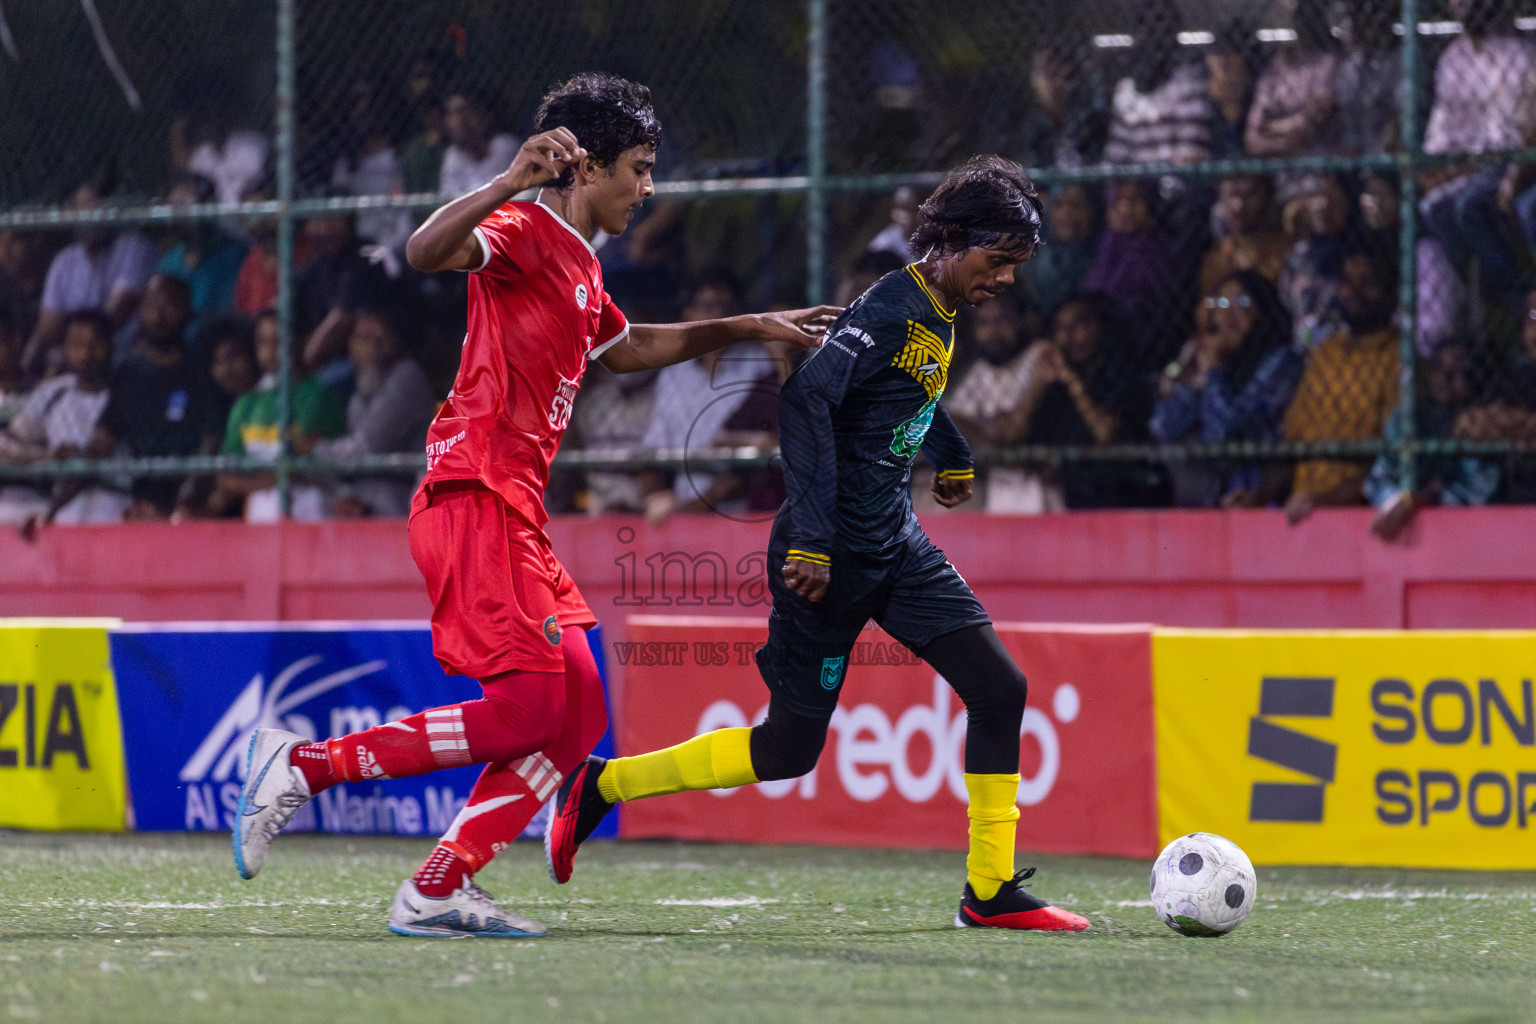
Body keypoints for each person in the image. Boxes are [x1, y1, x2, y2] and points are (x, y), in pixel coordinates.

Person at [231, 73, 838, 939]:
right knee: (524, 710)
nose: (650, 185)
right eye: (640, 166)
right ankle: (302, 766)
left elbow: (627, 350)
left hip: (515, 510)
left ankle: (438, 888)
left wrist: (751, 324)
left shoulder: (585, 263)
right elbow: (422, 253)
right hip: (472, 492)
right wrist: (510, 180)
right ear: (586, 167)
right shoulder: (520, 228)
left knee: (581, 711)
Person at [545, 155, 1091, 934]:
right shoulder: (893, 308)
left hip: (895, 549)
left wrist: (954, 452)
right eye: (998, 261)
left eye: (1014, 266)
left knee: (1000, 689)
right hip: (824, 561)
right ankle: (602, 784)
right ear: (953, 242)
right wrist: (812, 538)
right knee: (788, 749)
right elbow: (805, 401)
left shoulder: (936, 310)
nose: (1004, 279)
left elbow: (911, 389)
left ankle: (991, 889)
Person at [1152, 272, 1302, 507]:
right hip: (1210, 496)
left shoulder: (1283, 360)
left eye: (1242, 302)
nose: (1229, 312)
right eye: (1221, 302)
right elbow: (1163, 426)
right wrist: (1190, 373)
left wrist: (1214, 372)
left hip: (1259, 492)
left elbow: (1227, 429)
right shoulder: (1211, 355)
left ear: (1262, 310)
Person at [1279, 250, 1401, 524]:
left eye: (1368, 282)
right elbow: (1293, 438)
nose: (1355, 291)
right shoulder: (1324, 353)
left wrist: (1328, 499)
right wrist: (1258, 495)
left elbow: (1392, 461)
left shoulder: (1400, 357)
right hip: (1302, 504)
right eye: (1347, 282)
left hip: (1358, 510)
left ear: (1390, 291)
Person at [88, 276, 215, 519]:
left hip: (189, 505)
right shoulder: (128, 373)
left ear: (189, 313)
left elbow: (210, 448)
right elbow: (105, 438)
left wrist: (180, 505)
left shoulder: (203, 373)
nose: (158, 315)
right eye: (151, 305)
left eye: (169, 305)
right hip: (134, 499)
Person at [208, 310, 345, 522]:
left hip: (310, 514)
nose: (271, 350)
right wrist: (272, 480)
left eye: (278, 341)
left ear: (298, 341)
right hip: (259, 519)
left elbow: (305, 465)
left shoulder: (317, 396)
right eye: (263, 342)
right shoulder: (246, 405)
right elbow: (226, 477)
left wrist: (261, 480)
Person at [22, 169, 157, 376]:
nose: (90, 217)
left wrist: (78, 349)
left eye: (97, 208)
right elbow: (49, 327)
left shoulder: (134, 247)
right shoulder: (65, 260)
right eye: (82, 208)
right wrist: (23, 369)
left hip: (123, 364)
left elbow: (115, 314)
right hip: (72, 364)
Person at [0, 311, 123, 526]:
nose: (86, 353)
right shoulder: (54, 391)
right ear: (64, 348)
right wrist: (43, 457)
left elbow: (99, 455)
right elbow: (12, 441)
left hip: (109, 491)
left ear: (111, 346)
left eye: (95, 344)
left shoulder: (125, 393)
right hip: (55, 492)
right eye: (77, 344)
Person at [314, 308, 439, 518]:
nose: (370, 345)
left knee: (379, 491)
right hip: (368, 489)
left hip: (403, 491)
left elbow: (366, 447)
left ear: (394, 341)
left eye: (377, 337)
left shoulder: (407, 378)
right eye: (362, 337)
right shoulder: (364, 386)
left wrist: (315, 448)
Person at [1366, 343, 1498, 540]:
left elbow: (1475, 493)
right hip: (1404, 531)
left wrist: (1419, 499)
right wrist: (1397, 500)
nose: (1445, 378)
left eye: (1458, 371)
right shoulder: (1407, 418)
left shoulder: (1480, 424)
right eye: (1439, 368)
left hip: (1465, 536)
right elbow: (1377, 481)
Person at [1198, 176, 1290, 299]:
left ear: (1267, 197)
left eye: (1249, 196)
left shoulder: (1283, 252)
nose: (1239, 206)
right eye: (1232, 195)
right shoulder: (1217, 256)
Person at [1019, 182, 1097, 319]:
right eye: (1059, 205)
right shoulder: (1030, 264)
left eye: (1076, 205)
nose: (1066, 213)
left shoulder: (1104, 260)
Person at [438, 87, 521, 197]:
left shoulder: (505, 146)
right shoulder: (453, 156)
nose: (460, 120)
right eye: (452, 114)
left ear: (481, 114)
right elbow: (449, 201)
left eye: (464, 111)